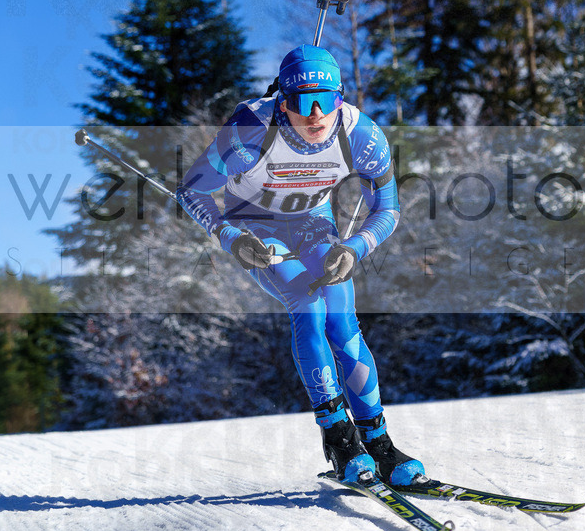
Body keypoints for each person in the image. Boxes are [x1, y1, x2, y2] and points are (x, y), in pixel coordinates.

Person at [176, 44, 423, 486]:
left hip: (313, 226)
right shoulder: (248, 129)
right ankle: (339, 438)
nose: (313, 115)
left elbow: (388, 209)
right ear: (281, 101)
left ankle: (380, 443)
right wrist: (230, 237)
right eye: (300, 103)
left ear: (340, 99)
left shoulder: (362, 137)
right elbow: (190, 190)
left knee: (342, 320)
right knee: (308, 306)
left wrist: (356, 247)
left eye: (324, 101)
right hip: (257, 229)